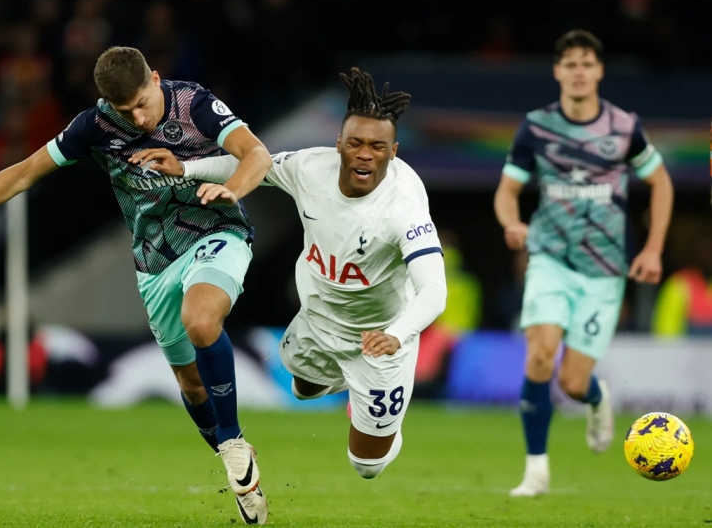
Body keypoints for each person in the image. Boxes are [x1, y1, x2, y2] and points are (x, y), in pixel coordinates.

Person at [0, 46, 272, 524]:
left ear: (155, 78)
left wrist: (232, 189)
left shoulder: (194, 103)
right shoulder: (94, 126)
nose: (139, 119)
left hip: (216, 232)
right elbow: (24, 172)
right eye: (126, 110)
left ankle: (232, 441)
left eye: (143, 103)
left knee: (201, 320)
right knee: (191, 384)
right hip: (154, 261)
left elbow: (256, 153)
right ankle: (236, 462)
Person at [132, 67, 448, 480]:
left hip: (380, 337)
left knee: (366, 466)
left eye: (377, 146)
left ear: (393, 151)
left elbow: (434, 290)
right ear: (339, 143)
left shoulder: (404, 206)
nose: (364, 154)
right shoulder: (309, 168)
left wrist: (398, 334)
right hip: (319, 318)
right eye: (355, 142)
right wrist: (188, 168)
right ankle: (343, 381)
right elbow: (250, 164)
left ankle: (380, 411)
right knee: (303, 390)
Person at [493, 30, 674, 497]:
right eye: (570, 63)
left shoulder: (624, 126)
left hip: (604, 269)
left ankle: (595, 397)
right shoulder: (536, 127)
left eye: (587, 64)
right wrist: (512, 223)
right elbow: (508, 190)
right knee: (539, 354)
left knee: (573, 382)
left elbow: (661, 183)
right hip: (550, 258)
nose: (578, 72)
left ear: (599, 71)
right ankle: (536, 471)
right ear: (557, 70)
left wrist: (653, 249)